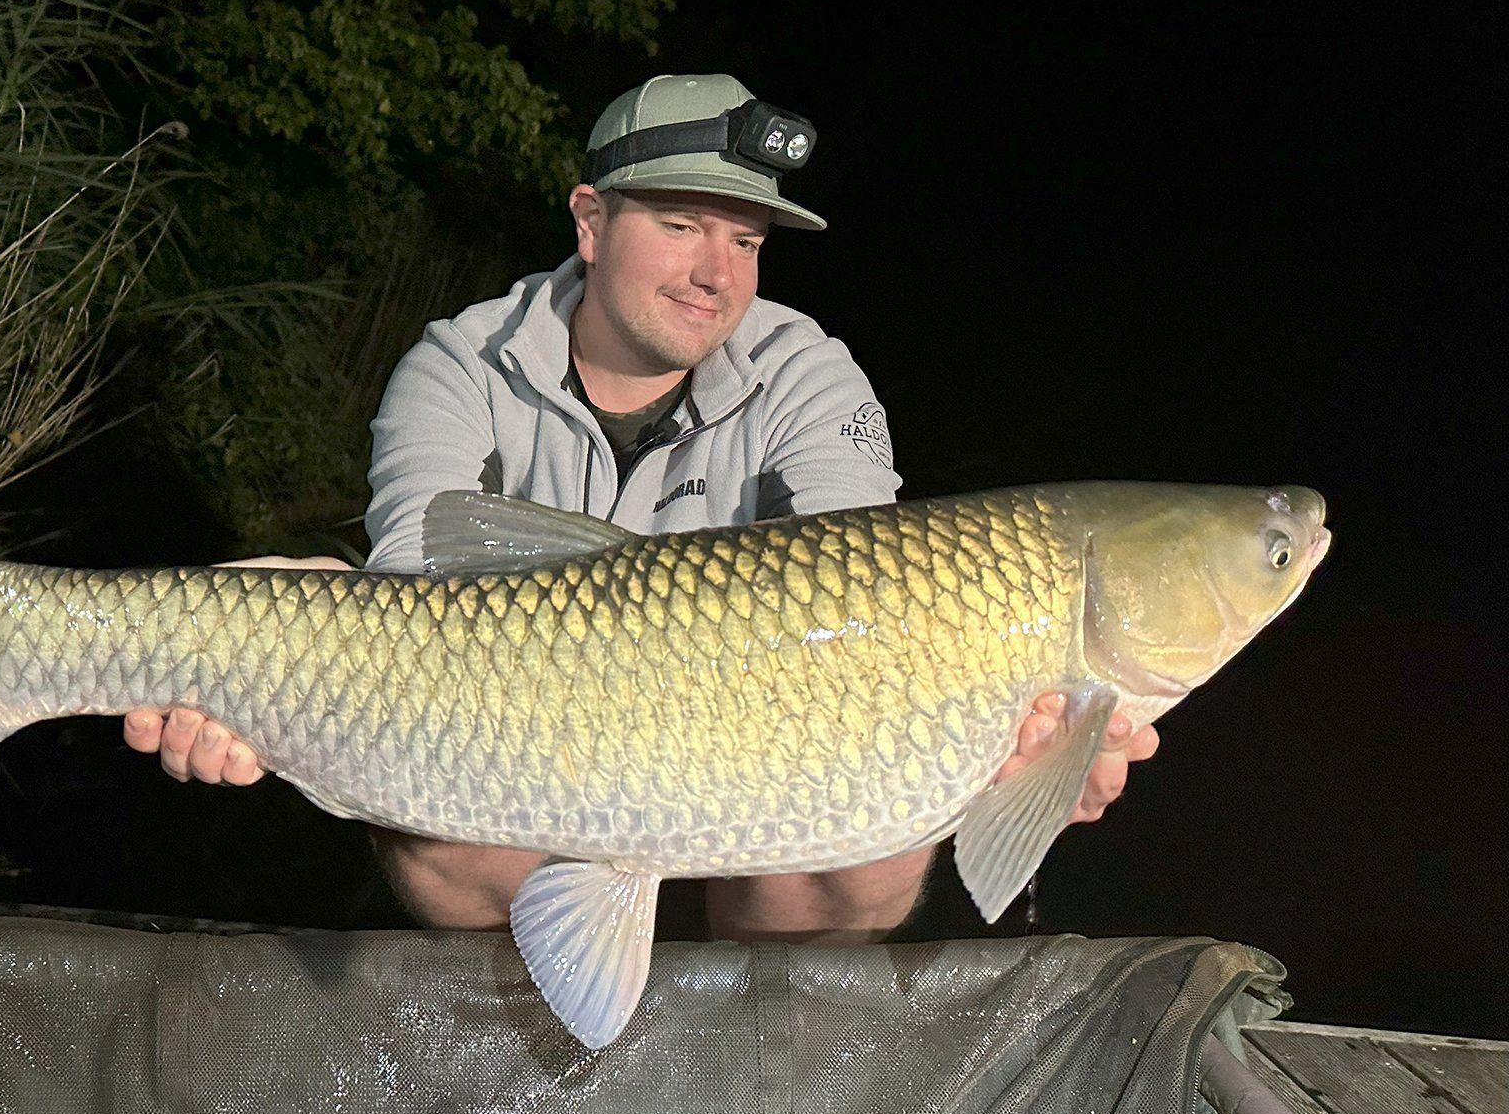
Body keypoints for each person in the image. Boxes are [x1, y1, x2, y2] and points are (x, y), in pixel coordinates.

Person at [124, 74, 1160, 942]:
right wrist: (260, 642)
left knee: (872, 860)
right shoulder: (457, 366)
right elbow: (409, 613)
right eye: (679, 226)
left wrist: (1024, 761)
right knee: (438, 842)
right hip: (513, 746)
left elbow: (879, 585)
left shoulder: (809, 378)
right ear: (590, 220)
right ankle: (528, 1050)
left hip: (747, 746)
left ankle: (752, 1079)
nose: (719, 274)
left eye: (747, 242)